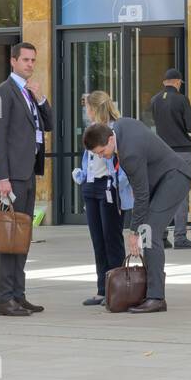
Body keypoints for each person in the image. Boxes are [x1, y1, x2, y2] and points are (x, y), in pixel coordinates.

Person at [83, 105, 191, 314]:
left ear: (109, 140)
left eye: (102, 152)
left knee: (148, 233)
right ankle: (151, 291)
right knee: (149, 230)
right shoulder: (122, 125)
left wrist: (134, 232)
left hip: (174, 180)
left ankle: (156, 298)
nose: (102, 157)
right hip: (162, 179)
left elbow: (141, 195)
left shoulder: (129, 154)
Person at [0, 41, 53, 317]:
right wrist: (1, 177)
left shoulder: (28, 93)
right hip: (11, 177)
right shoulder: (1, 93)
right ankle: (5, 299)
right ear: (13, 61)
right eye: (25, 60)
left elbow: (48, 125)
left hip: (28, 173)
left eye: (33, 60)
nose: (30, 64)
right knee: (8, 236)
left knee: (22, 236)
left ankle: (18, 294)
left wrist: (40, 99)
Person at [73, 91, 133, 305]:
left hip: (109, 186)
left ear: (94, 108)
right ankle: (102, 288)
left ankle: (117, 290)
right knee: (98, 240)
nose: (85, 112)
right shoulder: (92, 130)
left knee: (112, 240)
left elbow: (122, 161)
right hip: (90, 186)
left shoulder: (115, 129)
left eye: (87, 108)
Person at [149, 69, 191, 250]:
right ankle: (180, 237)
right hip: (182, 153)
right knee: (180, 196)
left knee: (162, 195)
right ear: (177, 82)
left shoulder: (154, 100)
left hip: (162, 154)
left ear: (164, 82)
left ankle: (162, 237)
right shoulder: (182, 99)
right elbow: (190, 127)